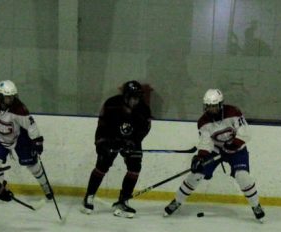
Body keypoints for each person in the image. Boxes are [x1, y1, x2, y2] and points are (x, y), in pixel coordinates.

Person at [164, 88, 265, 221]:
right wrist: (200, 157)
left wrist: (233, 144)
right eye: (208, 106)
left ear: (221, 104)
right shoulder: (203, 122)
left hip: (237, 149)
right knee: (196, 174)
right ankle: (177, 201)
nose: (211, 109)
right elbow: (206, 143)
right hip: (216, 150)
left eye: (214, 106)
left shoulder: (233, 112)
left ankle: (256, 205)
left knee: (243, 176)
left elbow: (245, 133)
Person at [0, 79, 54, 201]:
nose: (11, 99)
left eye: (13, 96)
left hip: (20, 138)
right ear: (0, 96)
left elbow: (31, 125)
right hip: (0, 139)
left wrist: (37, 141)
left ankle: (46, 186)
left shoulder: (19, 108)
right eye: (8, 97)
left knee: (32, 165)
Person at [80, 80, 152, 218]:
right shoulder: (111, 104)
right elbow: (101, 125)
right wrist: (101, 143)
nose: (135, 101)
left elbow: (145, 129)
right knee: (102, 165)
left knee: (135, 168)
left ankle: (123, 200)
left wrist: (133, 142)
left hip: (131, 140)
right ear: (126, 96)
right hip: (110, 138)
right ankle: (88, 197)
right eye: (133, 98)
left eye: (138, 98)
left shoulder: (144, 109)